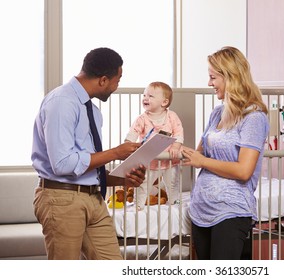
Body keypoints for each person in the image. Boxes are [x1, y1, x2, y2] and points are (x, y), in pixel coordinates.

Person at [31, 47, 146, 260]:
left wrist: (123, 179)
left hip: (93, 198)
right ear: (103, 80)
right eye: (117, 80)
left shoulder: (91, 110)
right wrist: (116, 152)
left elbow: (86, 167)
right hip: (62, 199)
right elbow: (63, 164)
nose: (116, 86)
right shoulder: (62, 102)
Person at [181, 46, 269, 260]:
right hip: (202, 210)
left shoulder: (254, 118)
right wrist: (172, 146)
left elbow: (243, 171)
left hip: (230, 211)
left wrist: (202, 160)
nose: (209, 83)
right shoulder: (217, 113)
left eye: (213, 77)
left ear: (231, 77)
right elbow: (199, 154)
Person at [124, 81, 184, 209]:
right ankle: (138, 205)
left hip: (169, 160)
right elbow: (132, 134)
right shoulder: (142, 119)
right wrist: (129, 144)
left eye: (150, 96)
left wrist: (176, 147)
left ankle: (174, 202)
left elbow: (179, 133)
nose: (145, 98)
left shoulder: (172, 116)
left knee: (172, 182)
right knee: (143, 183)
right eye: (144, 95)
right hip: (149, 161)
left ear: (164, 102)